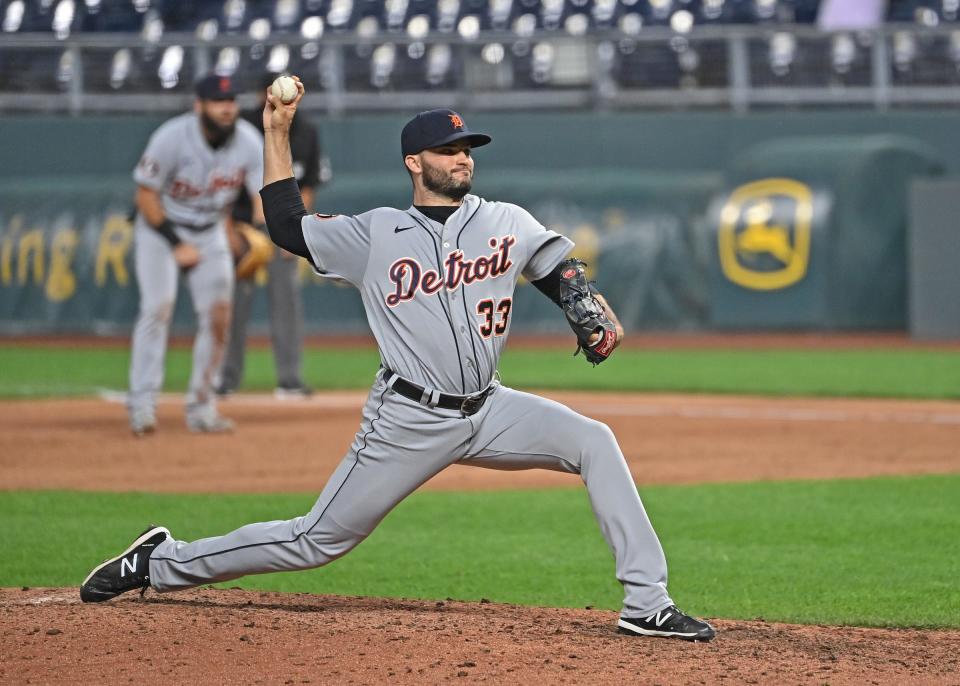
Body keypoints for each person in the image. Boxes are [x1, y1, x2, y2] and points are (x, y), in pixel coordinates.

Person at [82, 79, 715, 642]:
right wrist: (276, 132)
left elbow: (553, 265)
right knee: (314, 541)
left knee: (595, 441)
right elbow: (283, 223)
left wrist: (584, 303)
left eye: (467, 148)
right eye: (448, 149)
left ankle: (646, 602)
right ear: (415, 162)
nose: (462, 157)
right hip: (407, 418)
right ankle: (160, 562)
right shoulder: (373, 234)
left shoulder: (504, 219)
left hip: (491, 406)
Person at [126, 73, 265, 435]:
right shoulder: (172, 137)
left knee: (220, 317)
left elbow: (261, 201)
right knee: (158, 307)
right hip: (160, 230)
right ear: (198, 105)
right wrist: (176, 244)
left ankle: (203, 407)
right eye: (218, 102)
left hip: (212, 231)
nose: (226, 108)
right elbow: (145, 197)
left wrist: (257, 232)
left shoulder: (249, 142)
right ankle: (142, 406)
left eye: (231, 101)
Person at [217, 72, 327, 399]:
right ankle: (224, 378)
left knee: (287, 303)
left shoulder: (306, 130)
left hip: (283, 225)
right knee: (233, 305)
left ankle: (290, 379)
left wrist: (297, 231)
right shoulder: (242, 128)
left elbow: (308, 187)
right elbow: (219, 184)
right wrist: (229, 230)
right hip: (244, 227)